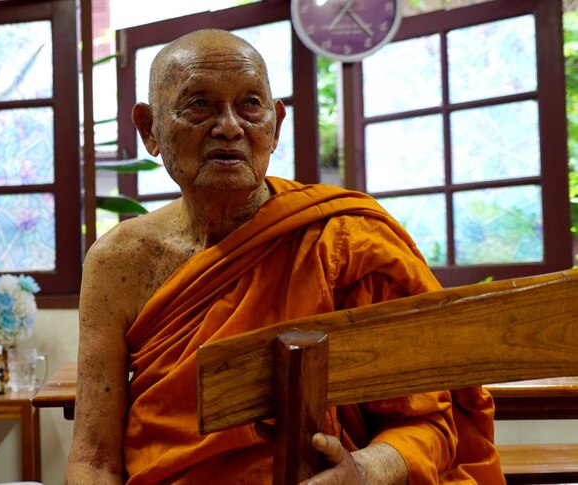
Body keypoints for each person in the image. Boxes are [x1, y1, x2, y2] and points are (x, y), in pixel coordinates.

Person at [66, 29, 503, 484]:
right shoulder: (119, 261)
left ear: (274, 125)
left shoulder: (345, 240)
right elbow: (94, 459)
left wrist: (365, 471)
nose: (231, 126)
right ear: (149, 130)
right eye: (199, 104)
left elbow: (428, 422)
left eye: (250, 105)